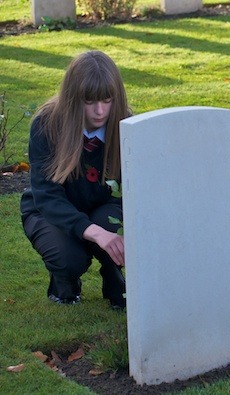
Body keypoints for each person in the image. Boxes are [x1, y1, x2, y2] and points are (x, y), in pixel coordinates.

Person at [20, 50, 130, 309]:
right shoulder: (46, 125)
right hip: (50, 210)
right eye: (89, 101)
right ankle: (65, 282)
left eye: (107, 100)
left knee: (111, 223)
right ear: (73, 98)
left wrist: (112, 235)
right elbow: (47, 196)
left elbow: (139, 187)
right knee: (70, 258)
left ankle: (114, 278)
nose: (100, 111)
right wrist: (96, 234)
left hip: (102, 206)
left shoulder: (127, 125)